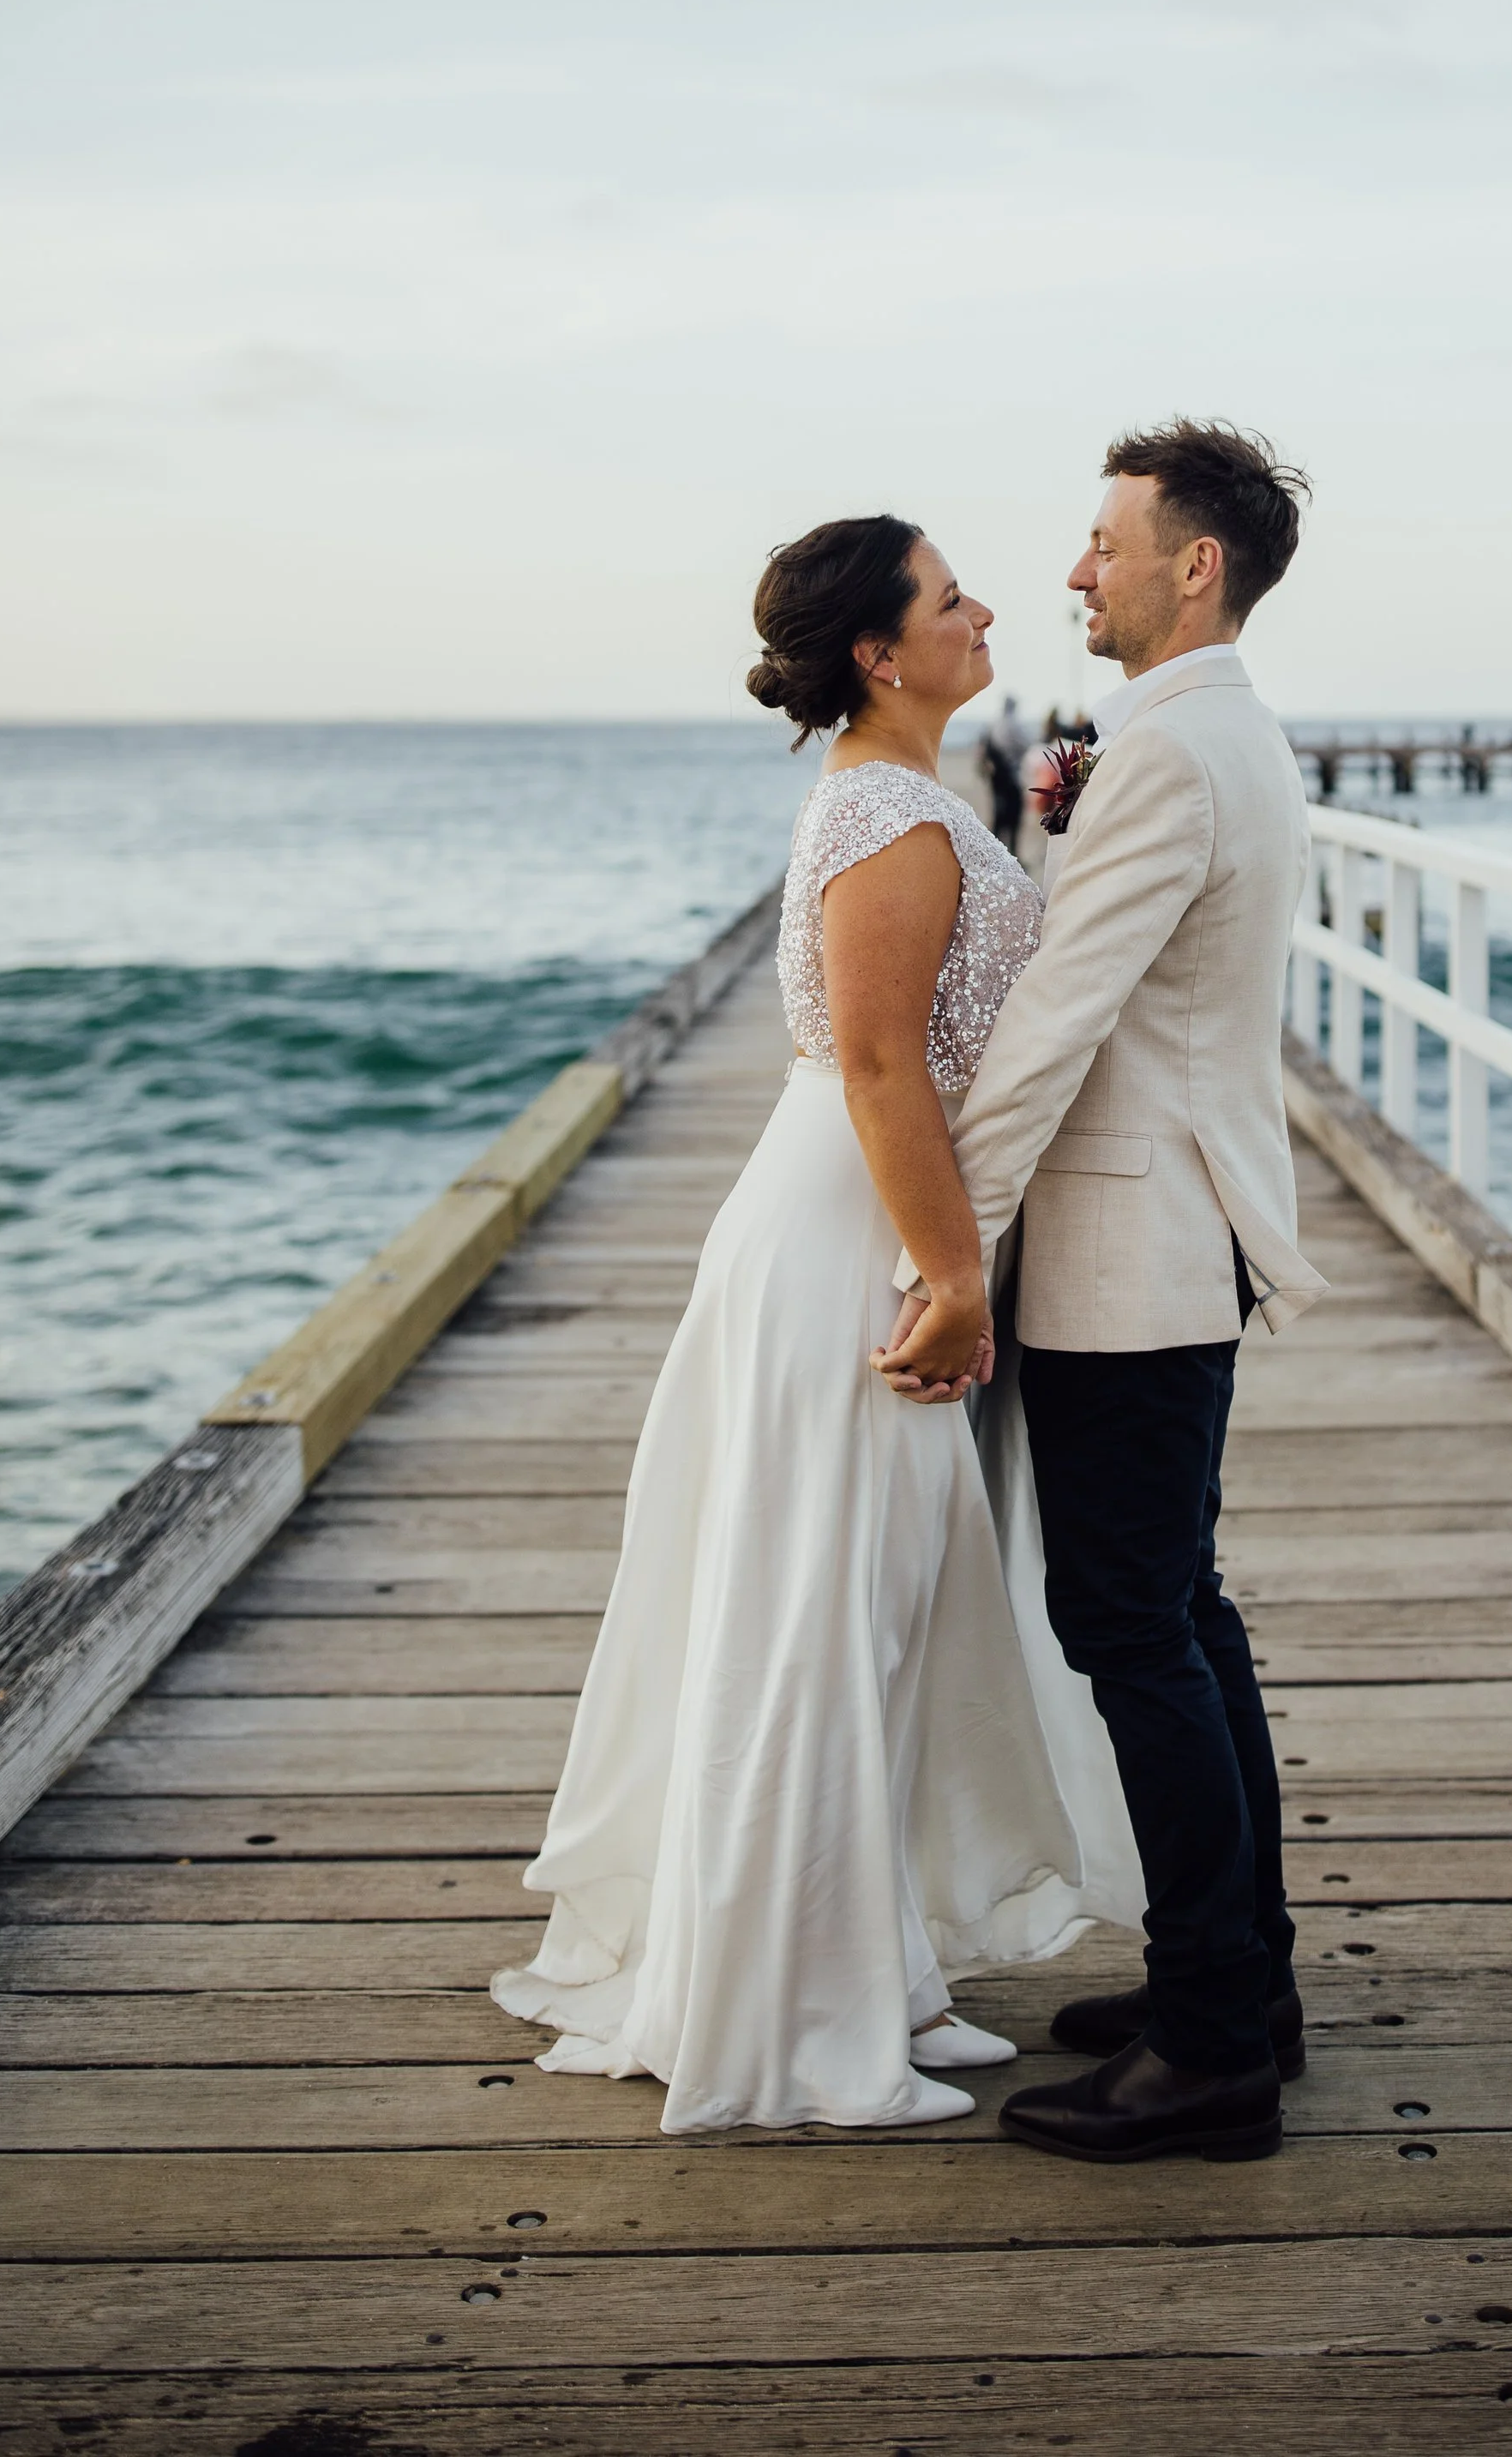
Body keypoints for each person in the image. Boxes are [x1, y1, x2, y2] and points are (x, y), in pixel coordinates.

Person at [492, 516, 1138, 2133]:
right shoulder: (883, 816)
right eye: (948, 596)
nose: (986, 608)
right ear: (877, 648)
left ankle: (879, 1970)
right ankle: (793, 2019)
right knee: (823, 1612)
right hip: (848, 1237)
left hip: (870, 1222)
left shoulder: (905, 798)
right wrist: (957, 1274)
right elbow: (875, 1066)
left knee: (882, 1606)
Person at [881, 419, 1324, 2166]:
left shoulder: (1166, 754)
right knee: (1180, 1619)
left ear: (1188, 564)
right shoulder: (1208, 732)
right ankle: (1239, 1982)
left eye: (1101, 539)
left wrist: (949, 1259)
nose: (1075, 569)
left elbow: (1060, 1020)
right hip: (1171, 1233)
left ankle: (1215, 2043)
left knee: (1135, 1628)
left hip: (1129, 1251)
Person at [982, 692, 1033, 854]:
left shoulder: (995, 723)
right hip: (1011, 775)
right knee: (1013, 817)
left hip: (997, 777)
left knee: (998, 815)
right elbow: (1025, 744)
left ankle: (994, 852)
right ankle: (1012, 853)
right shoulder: (1012, 724)